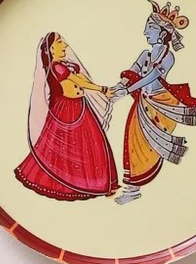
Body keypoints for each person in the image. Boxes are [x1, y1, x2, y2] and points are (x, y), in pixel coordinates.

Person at [110, 0, 196, 204]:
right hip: (143, 103)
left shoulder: (168, 56)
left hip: (162, 105)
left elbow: (151, 76)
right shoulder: (145, 54)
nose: (145, 32)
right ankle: (132, 189)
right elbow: (132, 72)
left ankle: (138, 187)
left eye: (150, 28)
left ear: (163, 33)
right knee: (132, 142)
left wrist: (127, 90)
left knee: (151, 144)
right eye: (147, 28)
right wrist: (118, 87)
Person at [14, 32, 118, 201]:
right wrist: (102, 89)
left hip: (80, 106)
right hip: (66, 110)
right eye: (60, 42)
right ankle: (72, 184)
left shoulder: (65, 65)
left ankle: (95, 183)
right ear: (51, 49)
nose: (65, 45)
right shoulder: (56, 67)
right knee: (63, 147)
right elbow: (79, 82)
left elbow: (82, 79)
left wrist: (96, 86)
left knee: (91, 145)